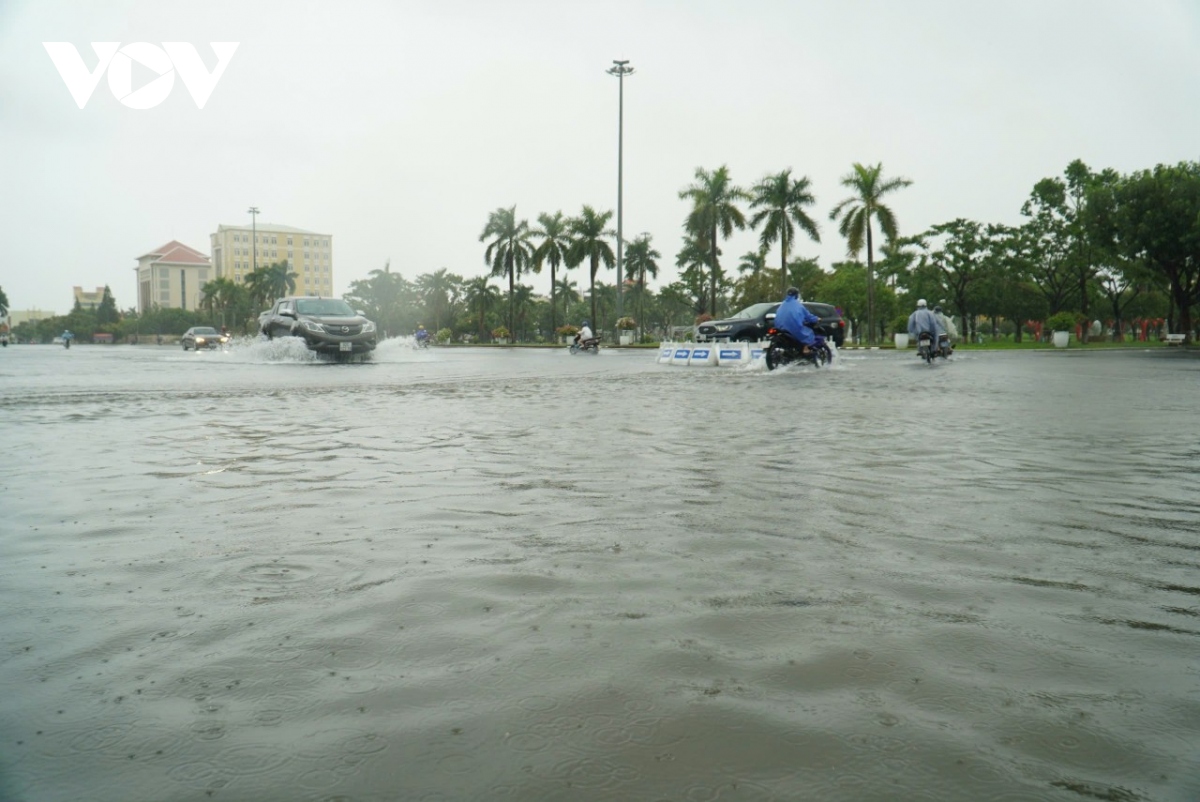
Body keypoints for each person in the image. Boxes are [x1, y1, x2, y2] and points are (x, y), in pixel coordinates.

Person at [774, 287, 819, 353]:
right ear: (796, 295)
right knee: (809, 333)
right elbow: (808, 317)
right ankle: (805, 349)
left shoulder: (782, 304)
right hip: (793, 328)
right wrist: (816, 318)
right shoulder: (798, 305)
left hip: (780, 328)